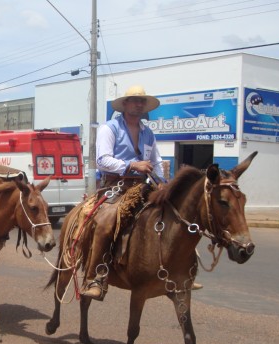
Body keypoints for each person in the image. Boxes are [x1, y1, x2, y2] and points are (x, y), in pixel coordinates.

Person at [80, 85, 202, 300]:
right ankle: (96, 277)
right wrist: (132, 165)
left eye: (141, 101)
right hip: (115, 187)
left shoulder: (148, 132)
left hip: (144, 187)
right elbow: (102, 160)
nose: (138, 104)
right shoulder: (109, 128)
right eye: (134, 100)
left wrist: (164, 183)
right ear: (125, 104)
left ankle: (183, 271)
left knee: (178, 216)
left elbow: (155, 161)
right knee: (106, 223)